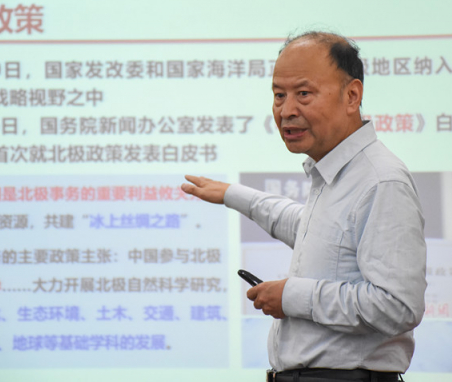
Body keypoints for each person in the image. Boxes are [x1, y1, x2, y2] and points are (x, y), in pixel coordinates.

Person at [181, 31, 427, 382]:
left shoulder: (380, 180)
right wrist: (232, 194)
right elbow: (314, 232)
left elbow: (397, 306)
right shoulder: (337, 172)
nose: (286, 111)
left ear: (352, 95)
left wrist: (291, 296)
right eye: (279, 95)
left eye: (303, 94)